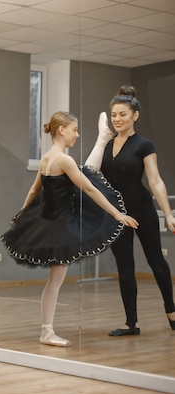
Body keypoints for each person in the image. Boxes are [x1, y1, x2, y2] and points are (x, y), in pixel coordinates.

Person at [1, 111, 138, 347]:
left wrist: (21, 215)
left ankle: (102, 138)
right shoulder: (64, 160)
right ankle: (46, 331)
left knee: (89, 171)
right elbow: (91, 191)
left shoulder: (46, 158)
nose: (76, 134)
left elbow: (34, 191)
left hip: (54, 216)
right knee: (55, 282)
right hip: (62, 222)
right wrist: (117, 214)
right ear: (62, 130)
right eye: (74, 129)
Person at [83, 85, 175, 336]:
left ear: (135, 115)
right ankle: (131, 323)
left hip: (142, 210)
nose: (117, 119)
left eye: (122, 114)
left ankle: (172, 311)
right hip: (117, 214)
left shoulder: (144, 145)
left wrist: (168, 213)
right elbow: (92, 173)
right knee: (125, 267)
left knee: (156, 260)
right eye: (114, 115)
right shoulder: (107, 143)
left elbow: (155, 181)